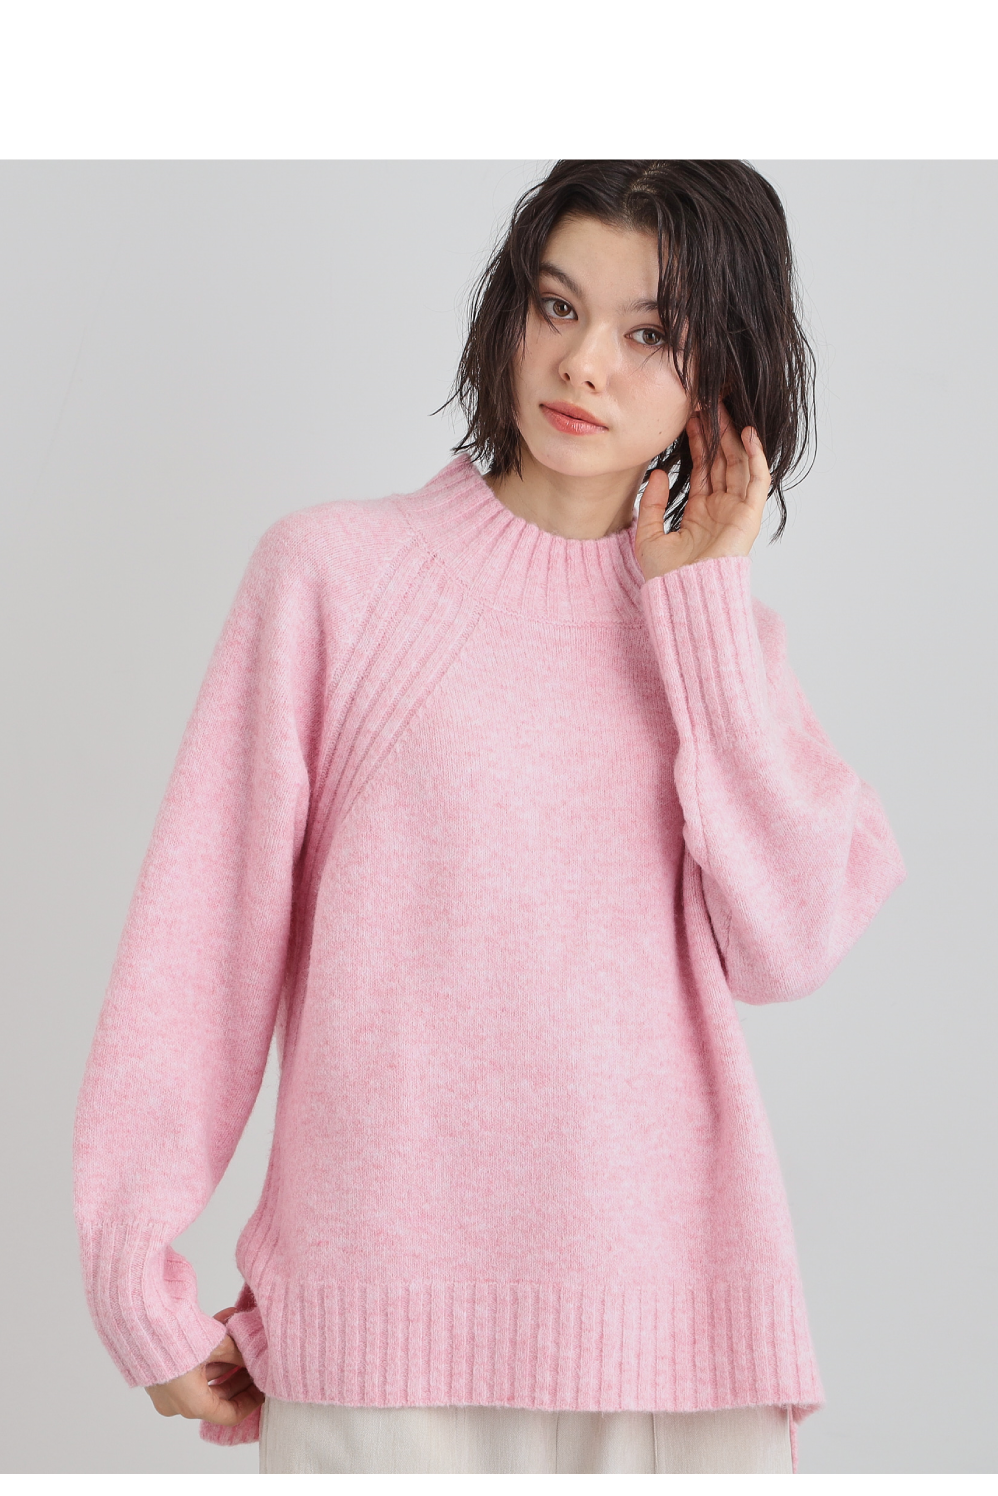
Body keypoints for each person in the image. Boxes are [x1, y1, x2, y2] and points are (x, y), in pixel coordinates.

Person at [74, 159, 905, 1475]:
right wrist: (133, 1272)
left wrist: (696, 611)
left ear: (723, 381)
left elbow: (790, 945)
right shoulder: (335, 578)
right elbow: (201, 944)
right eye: (557, 306)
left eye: (650, 335)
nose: (584, 364)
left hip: (673, 1344)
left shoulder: (721, 648)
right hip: (378, 1341)